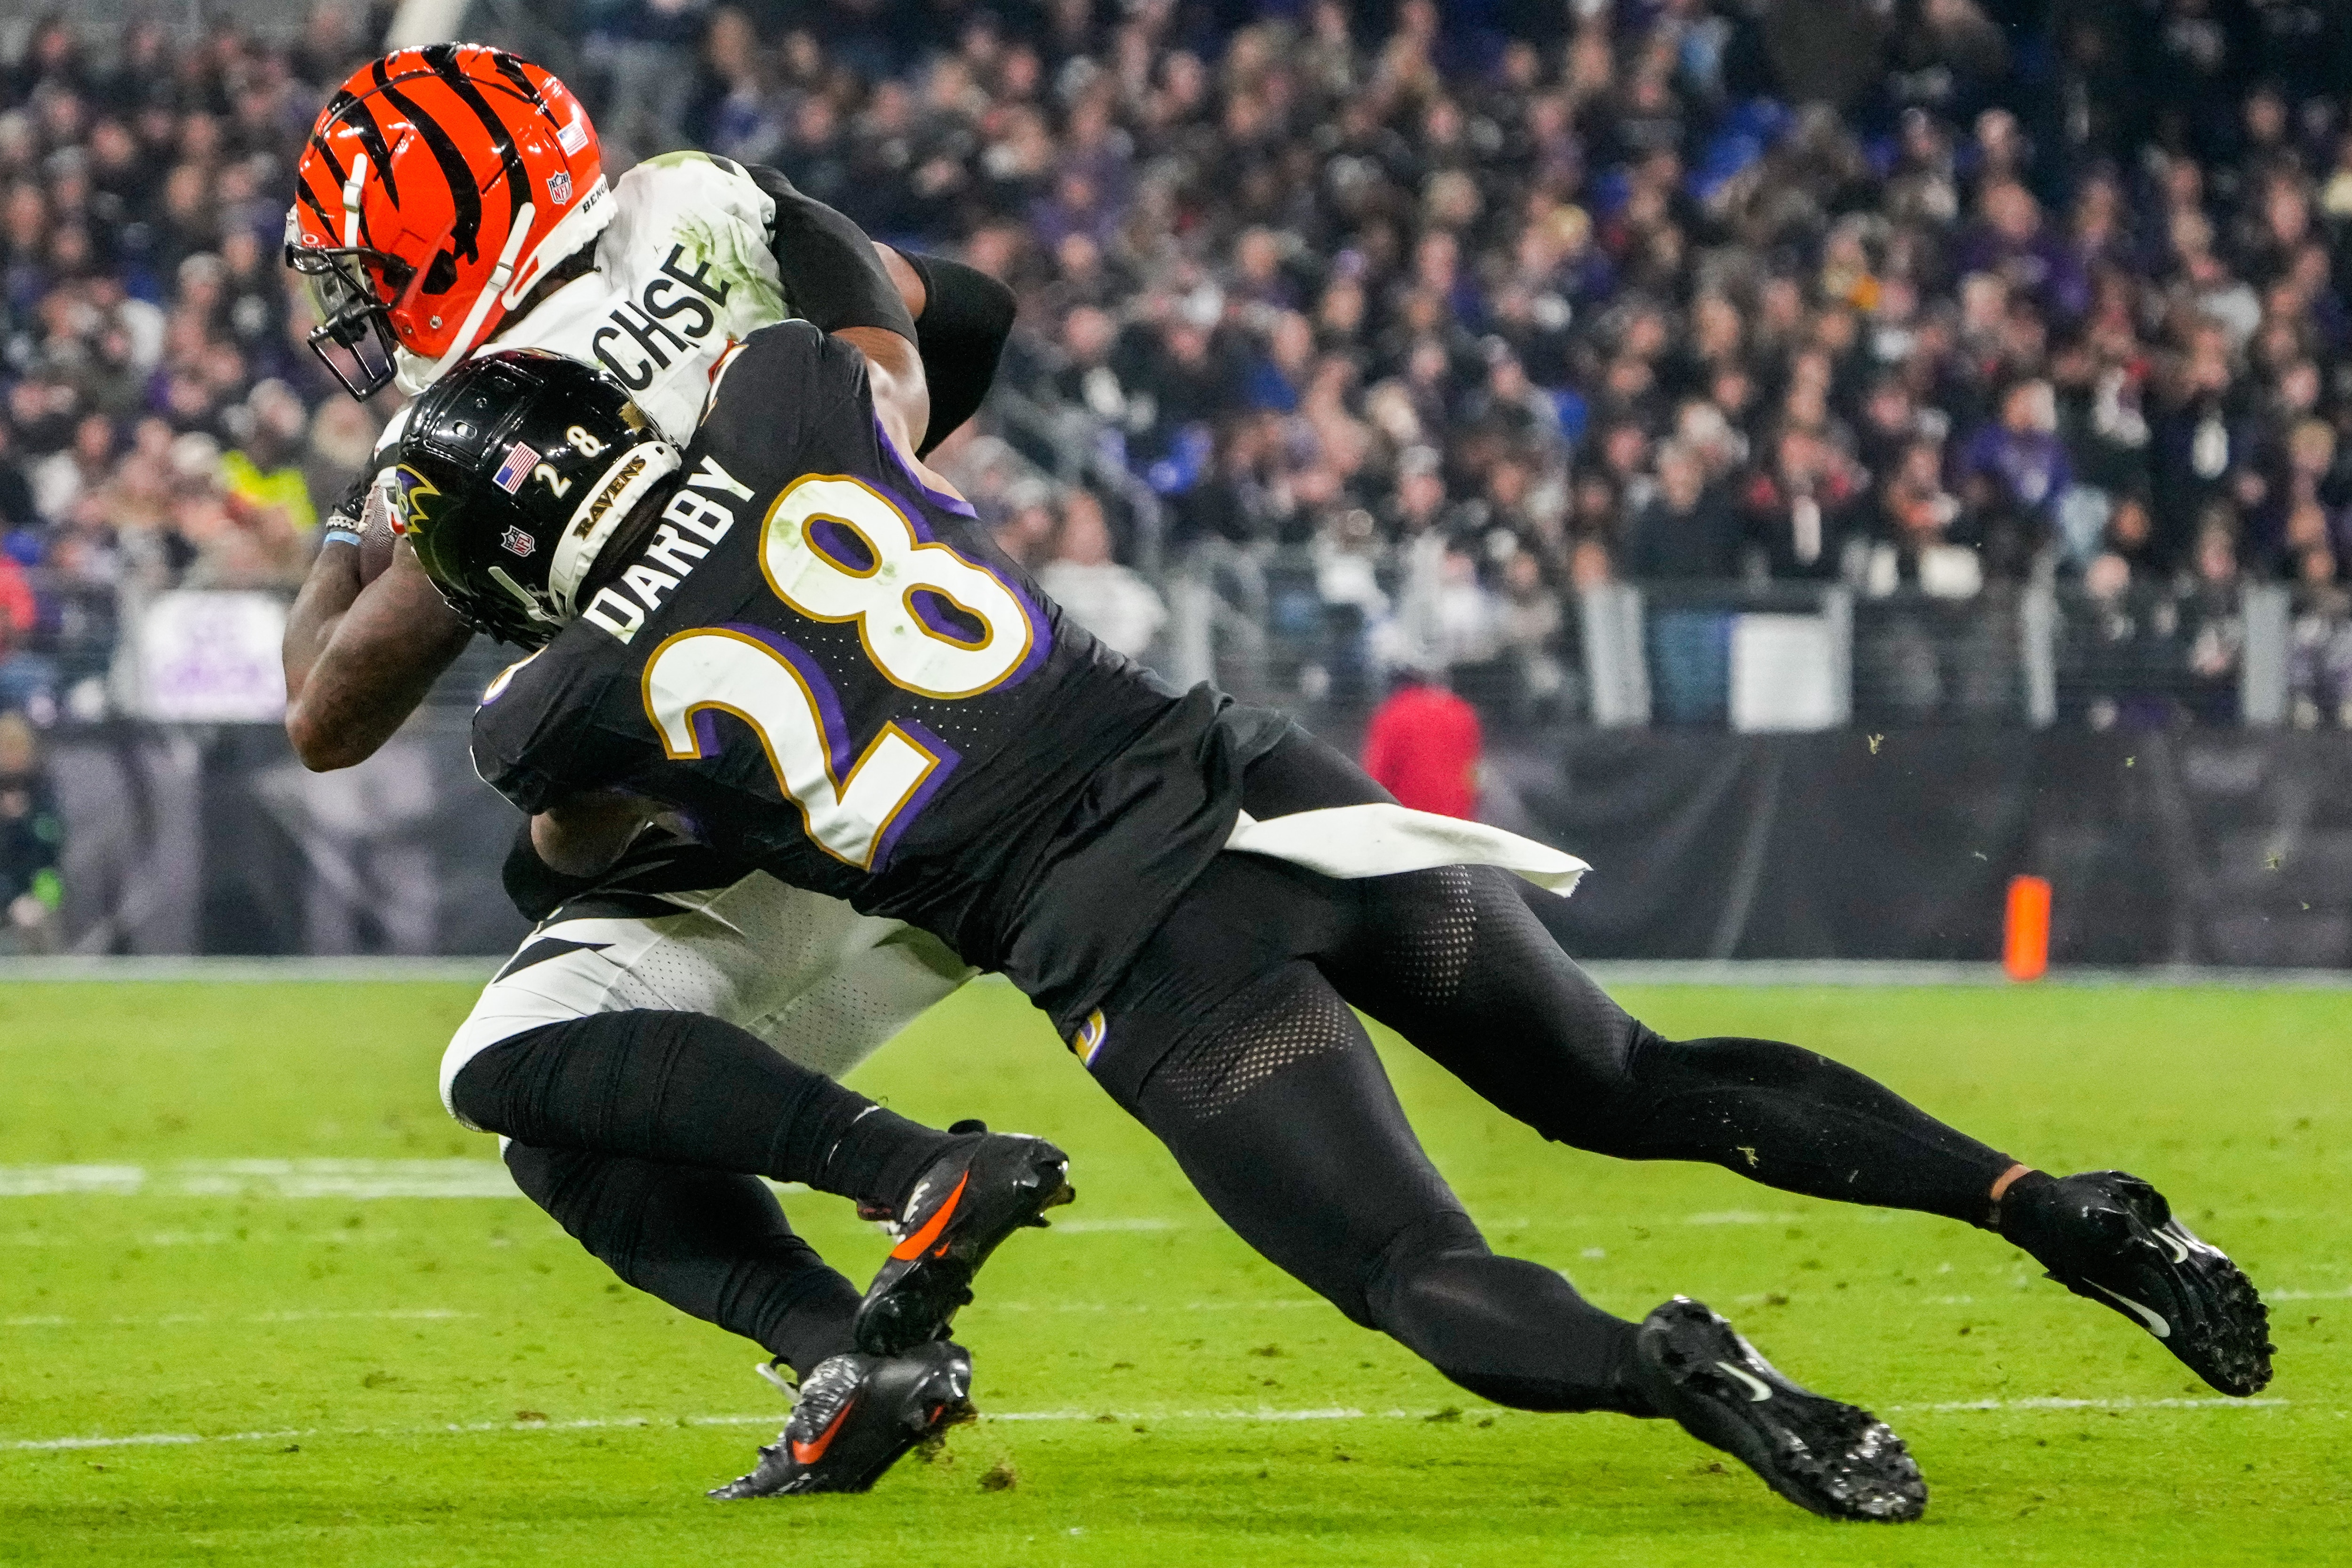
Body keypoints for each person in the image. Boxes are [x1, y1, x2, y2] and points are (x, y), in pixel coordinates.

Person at [394, 201, 2271, 1523]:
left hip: (1130, 939)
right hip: (1262, 787)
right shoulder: (789, 398)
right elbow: (870, 297)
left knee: (1411, 1267)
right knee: (1631, 1077)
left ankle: (1666, 1364)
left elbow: (577, 863)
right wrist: (723, 218)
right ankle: (2048, 1204)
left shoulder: (549, 710)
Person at [276, 46, 1060, 1500]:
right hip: (965, 743)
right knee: (576, 1109)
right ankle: (857, 1360)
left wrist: (353, 516)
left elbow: (325, 714)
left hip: (785, 818)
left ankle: (908, 1176)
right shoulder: (694, 227)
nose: (355, 301)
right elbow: (972, 310)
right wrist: (846, 471)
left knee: (520, 1061)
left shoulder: (500, 412)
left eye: (363, 263)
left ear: (439, 233)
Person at [1359, 664, 1481, 819]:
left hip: (1407, 820)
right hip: (1454, 822)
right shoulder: (1462, 713)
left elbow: (1378, 778)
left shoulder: (1393, 714)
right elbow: (1472, 777)